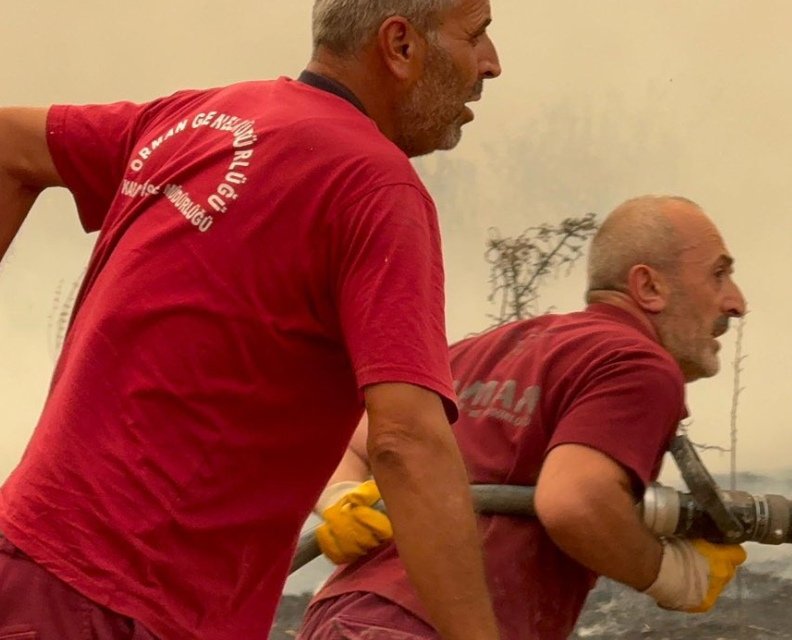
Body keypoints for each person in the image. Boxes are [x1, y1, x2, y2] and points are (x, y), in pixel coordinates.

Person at [0, 1, 502, 638]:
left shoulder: (199, 119)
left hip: (27, 567)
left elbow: (10, 142)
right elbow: (406, 444)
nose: (492, 64)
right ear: (400, 45)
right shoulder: (377, 187)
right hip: (118, 610)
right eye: (477, 34)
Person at [297, 195, 752, 639]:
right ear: (649, 287)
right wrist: (671, 573)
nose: (735, 302)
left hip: (345, 616)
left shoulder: (484, 350)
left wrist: (341, 497)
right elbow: (573, 503)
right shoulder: (637, 363)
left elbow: (351, 441)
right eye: (718, 275)